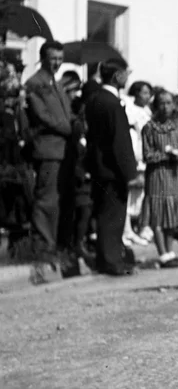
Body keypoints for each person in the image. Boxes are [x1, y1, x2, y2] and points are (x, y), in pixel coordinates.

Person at [84, 59, 138, 276]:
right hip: (112, 169)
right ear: (117, 75)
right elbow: (120, 141)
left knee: (104, 214)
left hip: (98, 166)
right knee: (113, 216)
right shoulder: (112, 103)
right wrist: (130, 173)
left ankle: (104, 258)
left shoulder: (96, 99)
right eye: (126, 73)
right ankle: (112, 261)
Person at [23, 40, 72, 260]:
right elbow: (42, 115)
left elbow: (64, 112)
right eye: (53, 58)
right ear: (43, 58)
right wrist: (68, 127)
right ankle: (43, 247)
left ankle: (53, 245)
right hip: (48, 148)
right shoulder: (36, 83)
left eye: (60, 59)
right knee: (46, 199)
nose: (57, 63)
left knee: (57, 200)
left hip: (62, 148)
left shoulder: (56, 82)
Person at [139, 90, 178, 268]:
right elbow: (147, 155)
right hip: (157, 174)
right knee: (158, 215)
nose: (166, 107)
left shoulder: (177, 127)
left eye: (169, 103)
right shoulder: (149, 128)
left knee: (171, 215)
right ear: (156, 106)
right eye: (162, 103)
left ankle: (170, 250)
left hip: (172, 174)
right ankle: (162, 253)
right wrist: (166, 154)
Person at [56, 72, 93, 275]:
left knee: (84, 213)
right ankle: (74, 251)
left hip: (83, 178)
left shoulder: (81, 123)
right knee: (75, 215)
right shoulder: (73, 122)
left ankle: (79, 246)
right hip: (74, 178)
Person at [0, 72, 33, 260]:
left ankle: (16, 248)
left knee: (18, 206)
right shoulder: (5, 116)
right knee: (12, 206)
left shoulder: (15, 115)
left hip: (15, 166)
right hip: (9, 165)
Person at [125, 80, 153, 247]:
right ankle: (127, 228)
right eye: (143, 93)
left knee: (143, 194)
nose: (147, 96)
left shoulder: (147, 111)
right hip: (136, 153)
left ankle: (142, 226)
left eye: (148, 93)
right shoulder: (130, 110)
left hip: (146, 154)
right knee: (131, 193)